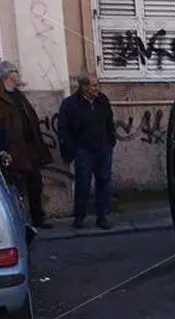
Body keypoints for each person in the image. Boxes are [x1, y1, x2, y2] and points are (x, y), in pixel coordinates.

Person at [58, 74, 117, 229]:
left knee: (104, 181)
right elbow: (63, 129)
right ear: (83, 87)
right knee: (83, 184)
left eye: (97, 85)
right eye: (93, 85)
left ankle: (102, 216)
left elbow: (109, 121)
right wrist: (74, 149)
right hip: (83, 150)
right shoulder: (70, 104)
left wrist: (111, 142)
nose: (97, 88)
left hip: (103, 148)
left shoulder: (102, 100)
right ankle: (79, 216)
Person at [0, 61, 54, 229]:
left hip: (30, 148)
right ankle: (20, 222)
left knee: (35, 184)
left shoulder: (19, 95)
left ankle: (38, 218)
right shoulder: (2, 98)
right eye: (15, 71)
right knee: (16, 189)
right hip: (13, 150)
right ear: (8, 76)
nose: (18, 74)